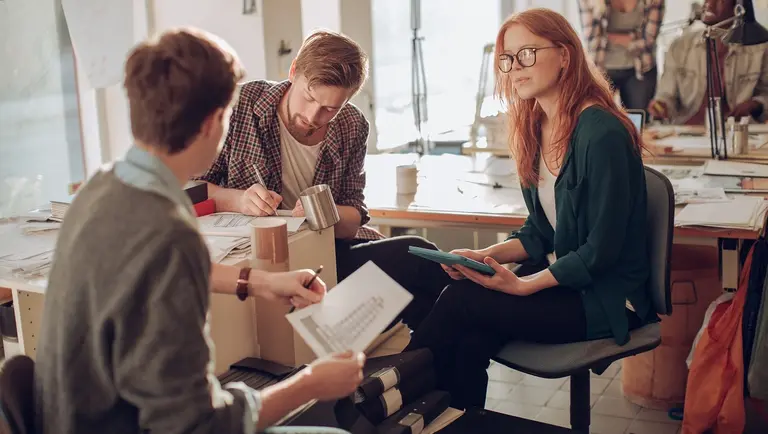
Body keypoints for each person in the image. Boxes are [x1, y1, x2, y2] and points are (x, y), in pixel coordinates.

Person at [35, 28, 363, 434]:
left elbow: (150, 271)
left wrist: (260, 281)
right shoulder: (172, 237)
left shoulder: (104, 187)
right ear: (214, 123)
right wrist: (311, 385)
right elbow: (198, 425)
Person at [404, 8, 658, 410]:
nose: (514, 68)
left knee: (460, 301)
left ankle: (388, 395)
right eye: (507, 59)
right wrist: (485, 257)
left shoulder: (602, 131)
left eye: (526, 54)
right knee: (470, 337)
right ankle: (448, 421)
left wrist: (523, 285)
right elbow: (540, 233)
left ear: (565, 55)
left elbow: (601, 251)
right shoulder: (537, 125)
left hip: (604, 297)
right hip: (560, 283)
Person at [195, 30, 450, 329]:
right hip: (258, 258)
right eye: (309, 98)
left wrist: (323, 212)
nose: (313, 116)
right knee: (418, 293)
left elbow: (354, 217)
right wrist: (237, 199)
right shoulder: (240, 105)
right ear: (293, 72)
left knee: (423, 261)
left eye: (331, 108)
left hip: (324, 249)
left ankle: (419, 368)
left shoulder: (352, 125)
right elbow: (191, 191)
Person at [648, 0, 768, 124]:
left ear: (738, 7)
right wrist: (661, 106)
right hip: (688, 130)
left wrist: (756, 104)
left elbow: (766, 93)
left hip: (737, 131)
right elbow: (666, 95)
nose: (709, 4)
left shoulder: (760, 47)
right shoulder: (680, 46)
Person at [578, 0, 665, 111]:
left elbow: (648, 40)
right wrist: (633, 37)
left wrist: (608, 35)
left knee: (639, 121)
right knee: (597, 117)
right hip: (601, 68)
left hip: (641, 68)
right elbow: (592, 38)